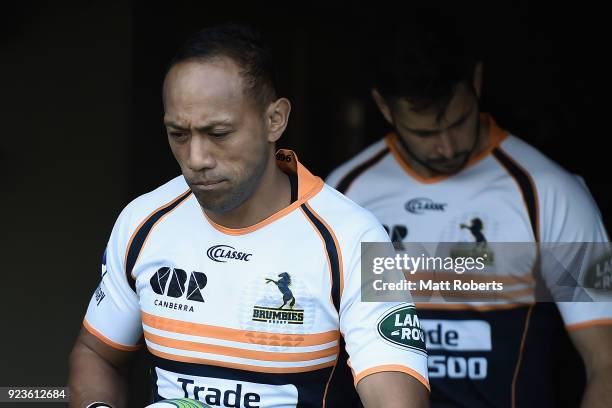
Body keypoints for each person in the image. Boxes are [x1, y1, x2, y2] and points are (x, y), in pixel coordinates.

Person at [68, 24, 430, 408]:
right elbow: (95, 354)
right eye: (178, 134)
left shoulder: (357, 236)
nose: (196, 159)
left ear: (275, 120)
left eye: (219, 133)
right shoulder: (142, 221)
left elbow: (397, 399)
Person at [326, 9, 612, 408]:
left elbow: (605, 361)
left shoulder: (551, 192)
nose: (446, 146)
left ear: (476, 82)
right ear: (385, 108)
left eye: (459, 121)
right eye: (424, 132)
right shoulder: (343, 192)